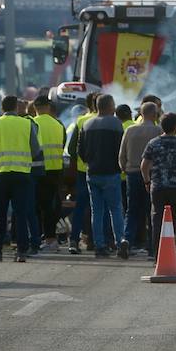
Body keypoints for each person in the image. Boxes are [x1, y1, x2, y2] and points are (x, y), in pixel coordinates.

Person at [0, 95, 41, 262]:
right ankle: (21, 251)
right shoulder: (27, 123)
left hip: (1, 175)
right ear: (16, 107)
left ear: (2, 108)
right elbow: (36, 150)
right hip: (22, 174)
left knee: (0, 214)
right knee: (21, 213)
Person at [141, 111, 176, 266]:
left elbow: (144, 165)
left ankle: (157, 257)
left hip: (158, 187)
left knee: (156, 220)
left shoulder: (153, 143)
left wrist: (147, 182)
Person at [81, 94, 127, 259]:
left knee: (97, 211)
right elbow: (120, 148)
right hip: (111, 172)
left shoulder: (87, 124)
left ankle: (99, 245)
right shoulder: (116, 123)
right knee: (116, 209)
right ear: (110, 106)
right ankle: (120, 240)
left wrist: (90, 161)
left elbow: (81, 150)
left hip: (92, 172)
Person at [120, 101, 162, 257]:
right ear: (153, 114)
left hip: (132, 174)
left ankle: (126, 239)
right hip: (152, 175)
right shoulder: (158, 131)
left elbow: (121, 155)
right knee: (151, 210)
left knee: (132, 210)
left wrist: (125, 168)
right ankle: (152, 247)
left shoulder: (130, 130)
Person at [65, 91, 100, 254]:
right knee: (100, 207)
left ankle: (74, 240)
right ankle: (98, 240)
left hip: (82, 170)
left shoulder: (81, 120)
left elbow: (72, 149)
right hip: (102, 169)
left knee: (80, 207)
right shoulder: (109, 121)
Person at [31, 95, 66, 252]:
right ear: (48, 106)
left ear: (35, 108)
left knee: (36, 206)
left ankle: (38, 238)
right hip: (55, 169)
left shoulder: (32, 123)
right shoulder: (58, 124)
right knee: (50, 206)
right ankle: (51, 238)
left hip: (37, 169)